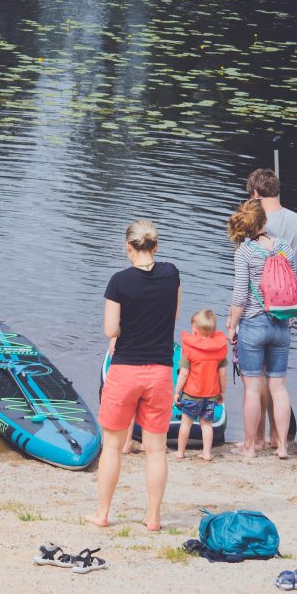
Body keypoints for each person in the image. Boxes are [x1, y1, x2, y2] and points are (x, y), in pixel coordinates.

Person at [86, 220, 180, 532]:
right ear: (156, 246)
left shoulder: (119, 282)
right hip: (160, 372)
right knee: (156, 449)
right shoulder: (171, 274)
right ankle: (152, 518)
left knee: (112, 446)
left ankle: (102, 513)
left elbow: (111, 330)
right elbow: (174, 316)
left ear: (128, 247)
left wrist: (126, 325)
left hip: (126, 370)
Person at [224, 200, 296, 459]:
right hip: (282, 323)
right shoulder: (284, 247)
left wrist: (232, 325)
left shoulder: (244, 253)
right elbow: (292, 284)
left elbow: (240, 297)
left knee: (252, 389)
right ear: (263, 221)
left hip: (254, 324)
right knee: (279, 388)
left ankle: (250, 446)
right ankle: (283, 446)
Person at [245, 168, 297, 450]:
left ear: (256, 194)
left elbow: (245, 269)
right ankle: (278, 439)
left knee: (255, 378)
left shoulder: (253, 221)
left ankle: (256, 438)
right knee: (278, 379)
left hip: (256, 311)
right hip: (286, 311)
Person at [173, 309, 227, 462]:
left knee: (186, 423)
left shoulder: (189, 350)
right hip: (210, 396)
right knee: (207, 425)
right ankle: (207, 453)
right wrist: (222, 392)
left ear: (194, 329)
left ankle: (180, 452)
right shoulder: (219, 350)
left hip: (191, 395)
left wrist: (177, 392)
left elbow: (183, 374)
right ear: (214, 330)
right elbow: (223, 374)